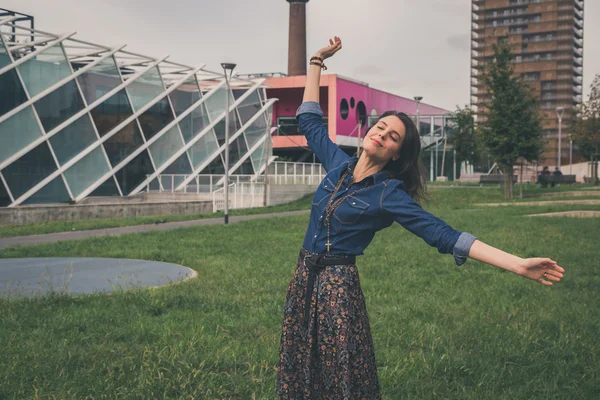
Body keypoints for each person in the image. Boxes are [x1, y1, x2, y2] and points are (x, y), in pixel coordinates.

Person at [276, 37, 565, 399]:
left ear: (398, 154)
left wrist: (518, 264)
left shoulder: (388, 194)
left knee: (341, 375)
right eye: (381, 127)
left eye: (393, 136)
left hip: (337, 288)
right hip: (304, 277)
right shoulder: (337, 165)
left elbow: (443, 235)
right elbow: (309, 119)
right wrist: (316, 61)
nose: (382, 134)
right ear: (369, 131)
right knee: (300, 364)